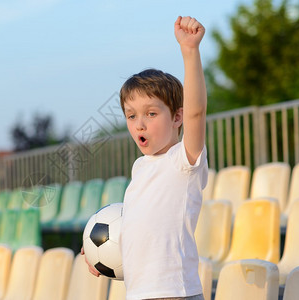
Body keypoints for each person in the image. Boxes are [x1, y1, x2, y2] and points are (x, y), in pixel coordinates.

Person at [82, 16, 207, 300]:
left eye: (151, 113)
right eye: (131, 116)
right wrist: (99, 252)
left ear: (177, 116)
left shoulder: (183, 161)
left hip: (175, 293)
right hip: (139, 294)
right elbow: (140, 231)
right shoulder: (140, 168)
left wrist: (190, 51)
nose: (139, 124)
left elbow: (197, 112)